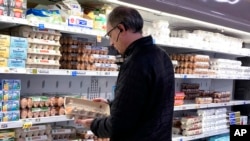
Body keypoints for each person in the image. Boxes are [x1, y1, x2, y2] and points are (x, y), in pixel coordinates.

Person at [76, 5, 175, 141]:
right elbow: (145, 104)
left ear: (121, 29)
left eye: (110, 35)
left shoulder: (135, 62)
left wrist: (93, 124)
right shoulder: (162, 56)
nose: (111, 42)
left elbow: (118, 124)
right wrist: (112, 105)